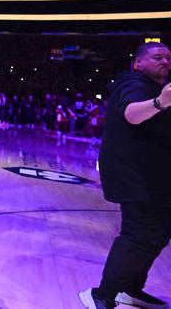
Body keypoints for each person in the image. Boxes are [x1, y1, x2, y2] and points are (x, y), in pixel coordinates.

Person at [79, 42, 171, 309]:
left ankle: (130, 288)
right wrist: (160, 102)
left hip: (157, 178)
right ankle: (102, 293)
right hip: (135, 176)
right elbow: (131, 114)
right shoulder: (132, 83)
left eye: (168, 58)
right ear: (138, 62)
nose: (164, 61)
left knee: (159, 234)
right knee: (138, 234)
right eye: (157, 57)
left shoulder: (160, 88)